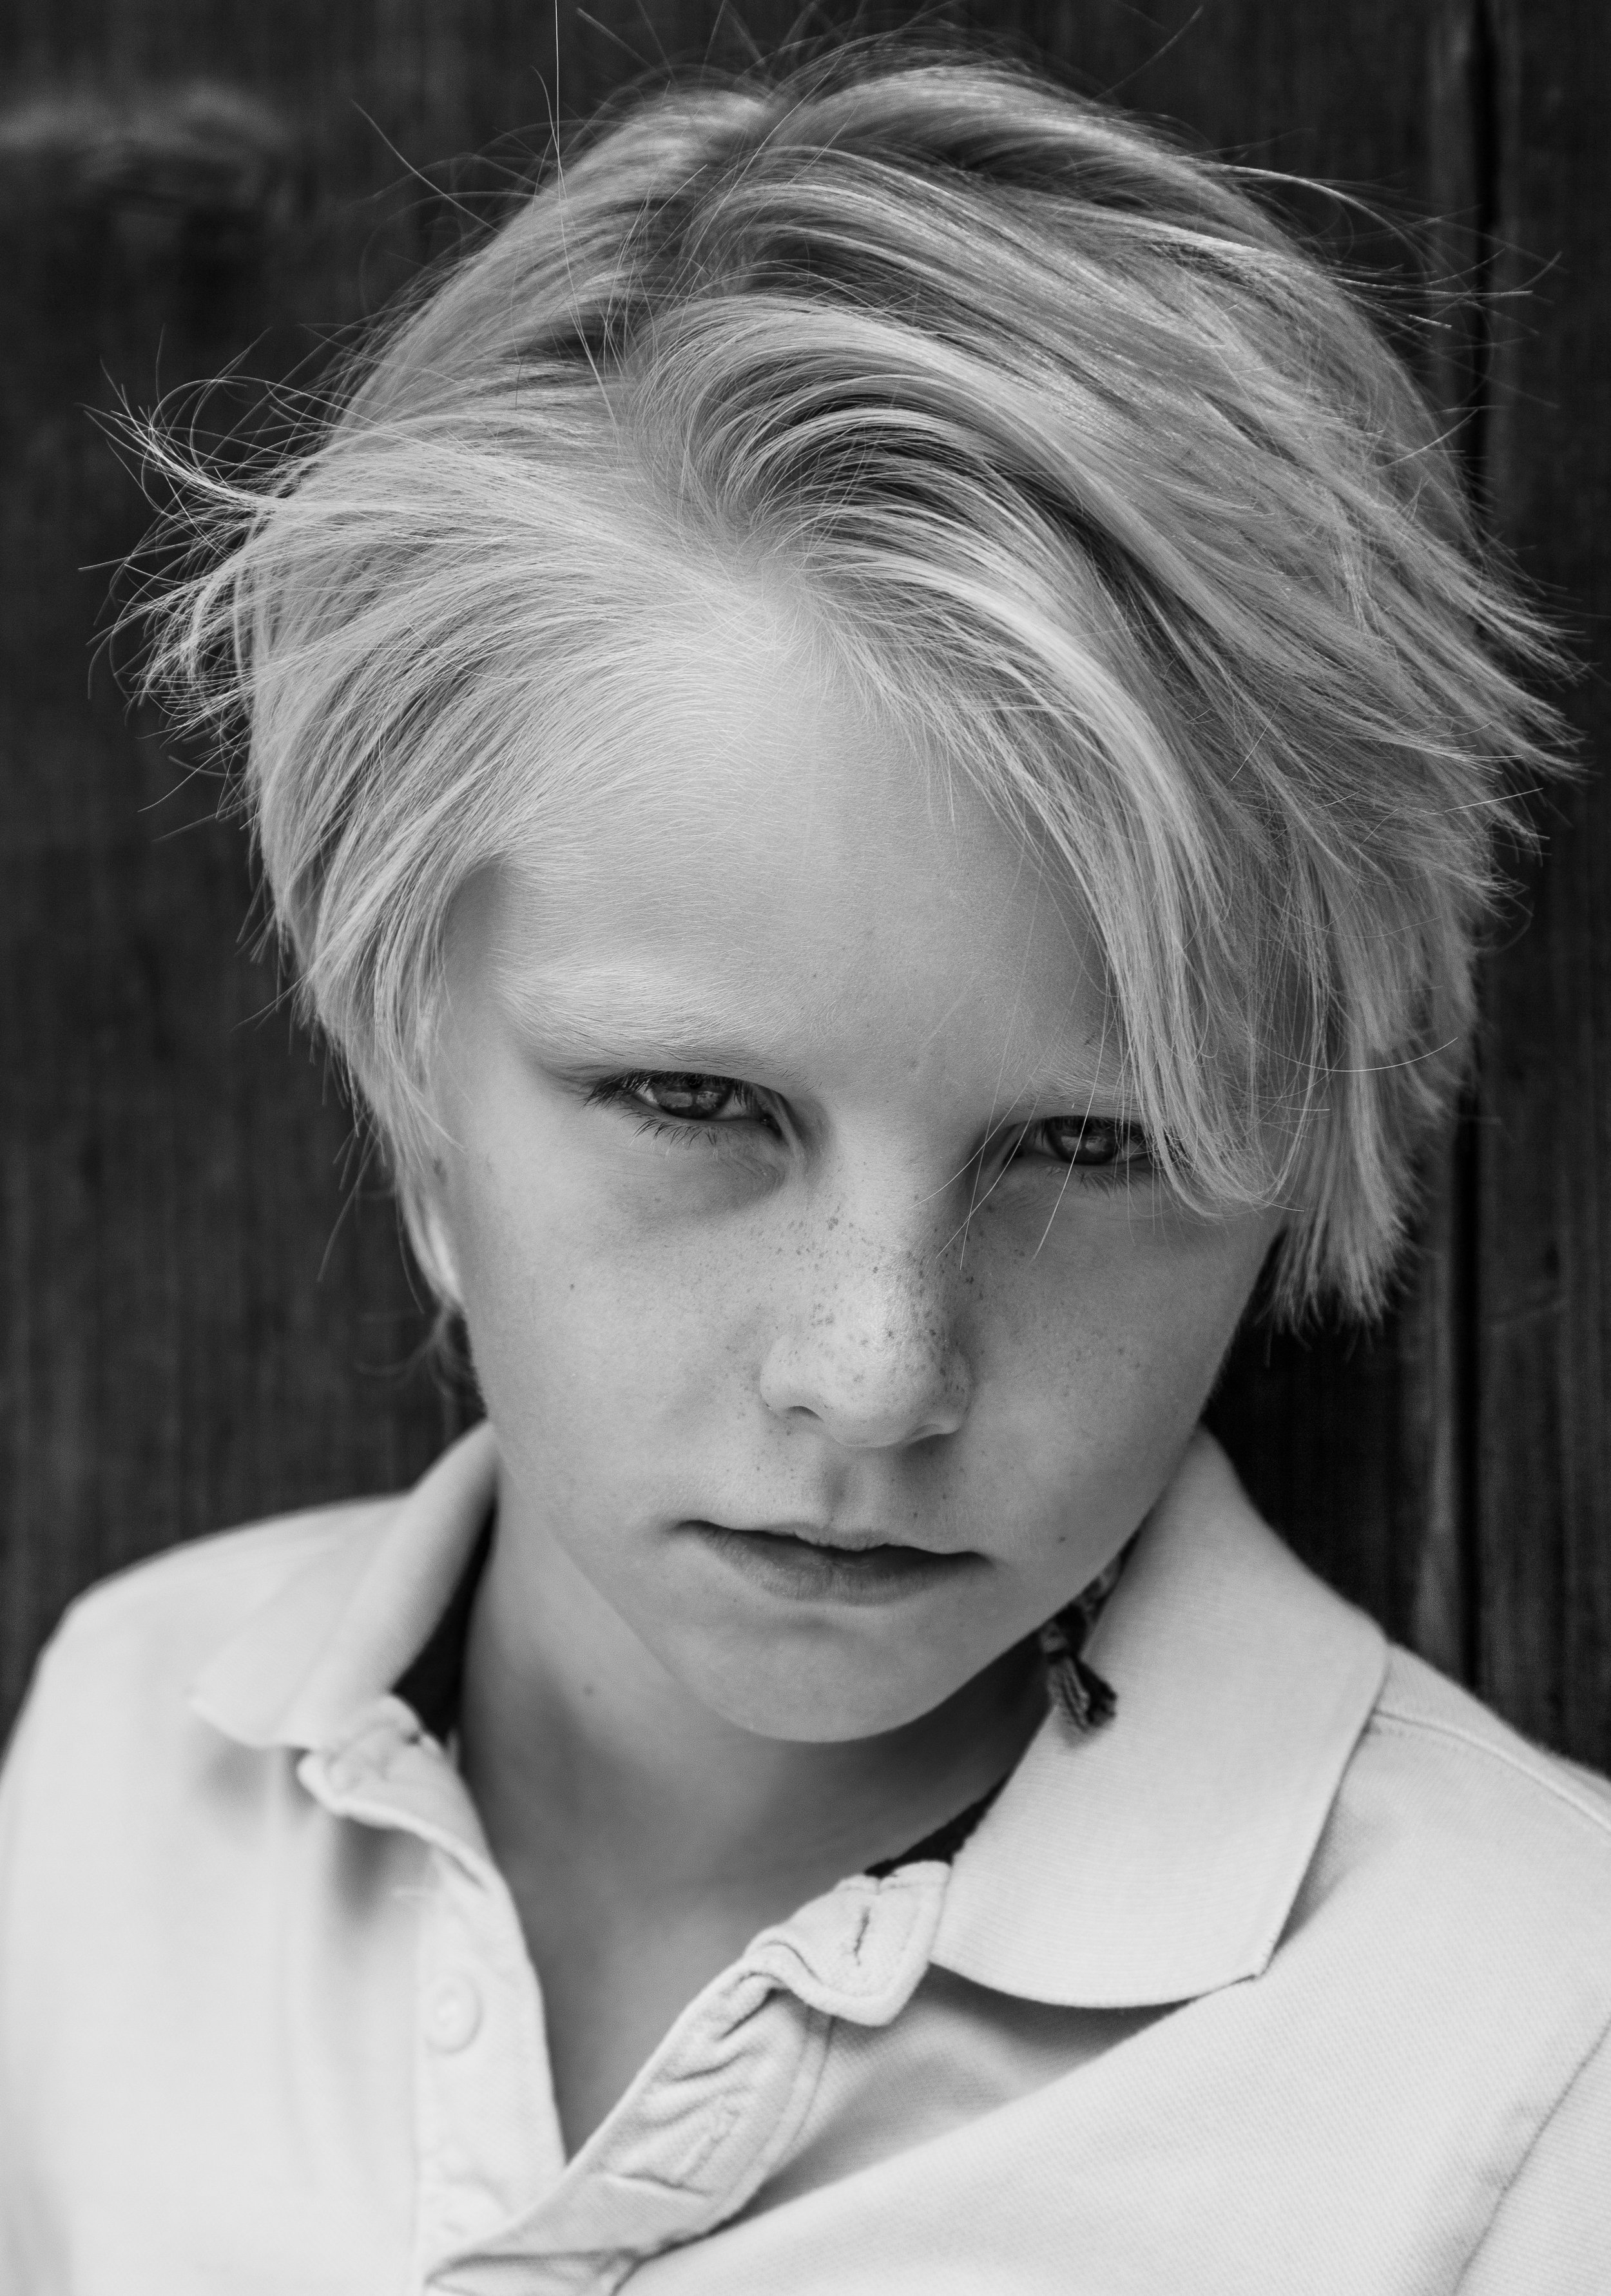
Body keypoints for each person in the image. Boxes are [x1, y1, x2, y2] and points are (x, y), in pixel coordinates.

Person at [1, 38, 1606, 2295]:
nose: (874, 1372)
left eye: (1095, 1142)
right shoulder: (121, 1759)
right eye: (694, 1103)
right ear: (404, 1049)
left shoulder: (1532, 2061)